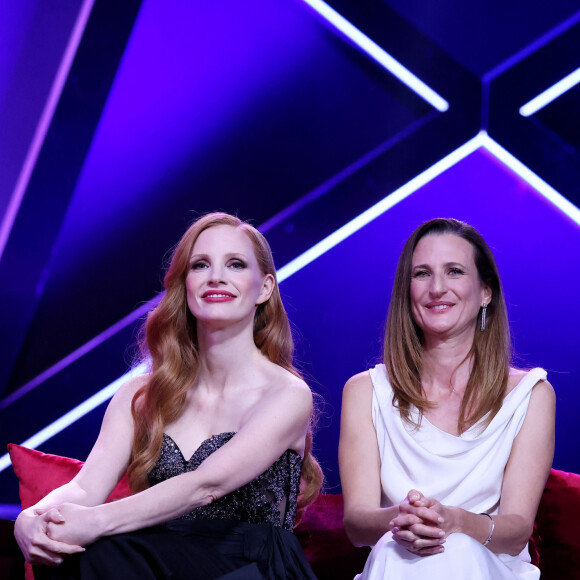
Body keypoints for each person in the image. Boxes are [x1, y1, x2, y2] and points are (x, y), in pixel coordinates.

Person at [14, 212, 322, 579]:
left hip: (253, 566)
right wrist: (29, 521)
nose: (216, 277)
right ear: (185, 284)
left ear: (265, 287)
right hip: (159, 561)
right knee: (66, 552)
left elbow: (205, 485)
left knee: (103, 552)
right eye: (200, 265)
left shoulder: (286, 394)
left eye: (235, 264)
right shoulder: (140, 396)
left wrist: (95, 523)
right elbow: (84, 487)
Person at [339, 218, 555, 580]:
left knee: (455, 548)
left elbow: (517, 529)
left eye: (454, 272)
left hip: (488, 565)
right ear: (406, 291)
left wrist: (455, 522)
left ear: (486, 291)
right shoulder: (365, 391)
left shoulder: (531, 395)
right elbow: (357, 525)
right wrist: (403, 519)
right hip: (396, 558)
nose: (437, 288)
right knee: (395, 552)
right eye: (422, 274)